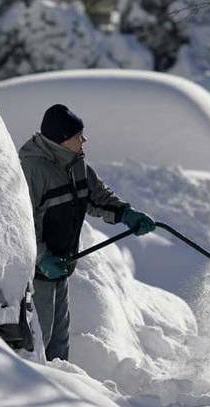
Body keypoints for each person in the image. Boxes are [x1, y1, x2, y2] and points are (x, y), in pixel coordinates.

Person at [19, 104, 155, 361]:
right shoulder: (33, 169)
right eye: (78, 136)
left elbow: (97, 197)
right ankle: (31, 380)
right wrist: (42, 257)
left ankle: (61, 381)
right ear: (61, 140)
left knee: (59, 343)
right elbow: (23, 221)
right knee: (38, 342)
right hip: (37, 274)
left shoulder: (75, 164)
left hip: (61, 265)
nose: (84, 140)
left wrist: (126, 214)